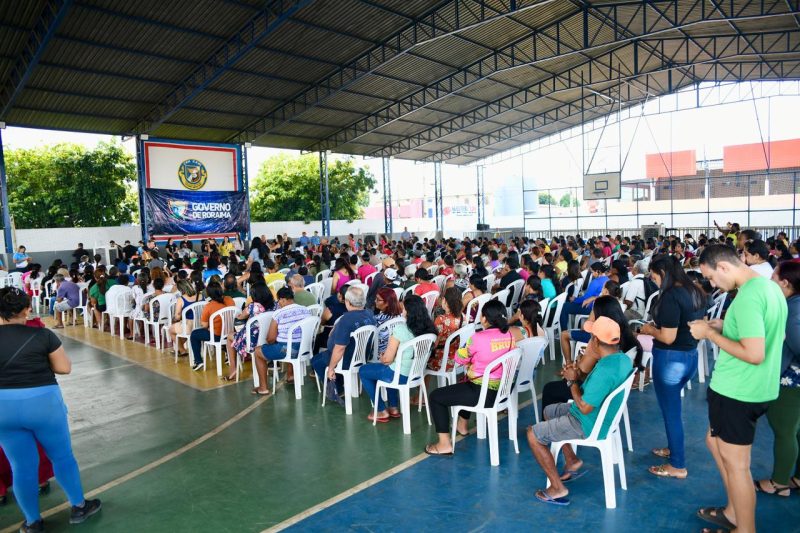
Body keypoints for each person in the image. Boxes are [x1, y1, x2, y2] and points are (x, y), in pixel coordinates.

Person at [689, 244, 787, 533]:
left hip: (738, 392)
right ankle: (733, 512)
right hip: (753, 388)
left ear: (723, 267)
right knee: (713, 441)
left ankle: (744, 528)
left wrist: (708, 334)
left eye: (711, 277)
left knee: (738, 467)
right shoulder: (769, 288)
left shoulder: (748, 298)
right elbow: (769, 334)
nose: (712, 284)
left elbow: (754, 353)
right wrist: (726, 326)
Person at [0, 288, 102, 531]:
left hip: (3, 409)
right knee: (62, 456)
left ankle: (32, 522)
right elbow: (64, 368)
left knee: (21, 466)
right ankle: (79, 507)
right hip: (43, 404)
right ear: (27, 310)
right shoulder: (43, 335)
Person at [526, 316, 633, 506]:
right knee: (549, 411)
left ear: (596, 341)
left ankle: (557, 488)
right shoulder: (622, 359)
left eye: (591, 336)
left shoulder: (605, 371)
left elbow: (584, 407)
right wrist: (577, 375)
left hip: (587, 422)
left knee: (533, 434)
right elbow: (593, 390)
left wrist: (571, 381)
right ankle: (572, 460)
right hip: (601, 416)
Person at [638, 255, 707, 479]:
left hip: (671, 360)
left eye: (654, 276)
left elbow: (668, 337)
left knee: (671, 413)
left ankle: (678, 465)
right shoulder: (694, 290)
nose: (653, 280)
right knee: (673, 410)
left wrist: (650, 330)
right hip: (689, 356)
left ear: (663, 273)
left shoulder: (670, 296)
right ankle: (673, 448)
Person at [425, 300, 515, 455]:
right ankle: (462, 425)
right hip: (503, 391)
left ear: (484, 318)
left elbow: (459, 359)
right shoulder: (510, 335)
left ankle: (444, 444)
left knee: (436, 397)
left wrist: (466, 352)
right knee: (465, 382)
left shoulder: (478, 338)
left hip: (481, 393)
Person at [544, 296, 641, 412]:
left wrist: (573, 369)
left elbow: (582, 371)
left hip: (594, 395)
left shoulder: (598, 341)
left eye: (593, 311)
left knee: (549, 389)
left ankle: (557, 420)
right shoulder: (625, 336)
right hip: (614, 397)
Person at [754, 261, 800, 496]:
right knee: (795, 430)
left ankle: (779, 483)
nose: (769, 280)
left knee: (784, 431)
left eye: (774, 276)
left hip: (789, 381)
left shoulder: (791, 312)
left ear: (785, 283)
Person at [360, 295, 437, 422]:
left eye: (404, 309)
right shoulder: (430, 329)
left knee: (363, 370)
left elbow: (387, 359)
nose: (402, 311)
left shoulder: (401, 329)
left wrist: (382, 357)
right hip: (416, 374)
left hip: (399, 375)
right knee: (390, 368)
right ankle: (393, 408)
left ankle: (380, 410)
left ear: (409, 312)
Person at [311, 286, 376, 397]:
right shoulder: (369, 314)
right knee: (323, 358)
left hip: (346, 358)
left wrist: (331, 369)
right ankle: (340, 381)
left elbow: (340, 348)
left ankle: (337, 389)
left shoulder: (345, 320)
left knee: (316, 361)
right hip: (362, 356)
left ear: (347, 302)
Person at [251, 287, 310, 390]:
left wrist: (268, 343)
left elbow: (271, 338)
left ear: (282, 299)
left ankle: (263, 388)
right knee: (289, 343)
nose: (278, 303)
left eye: (278, 301)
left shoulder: (279, 313)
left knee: (257, 351)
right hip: (304, 349)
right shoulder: (305, 310)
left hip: (288, 350)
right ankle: (290, 375)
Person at [189, 283, 235, 371]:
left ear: (209, 294)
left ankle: (198, 361)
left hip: (216, 336)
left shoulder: (209, 306)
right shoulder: (229, 299)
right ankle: (228, 355)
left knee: (194, 334)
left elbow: (204, 325)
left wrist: (210, 326)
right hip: (230, 333)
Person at [558, 262, 609, 331]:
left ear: (598, 271)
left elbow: (586, 298)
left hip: (590, 308)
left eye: (592, 272)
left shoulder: (596, 282)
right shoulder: (607, 279)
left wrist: (574, 299)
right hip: (600, 307)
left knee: (565, 306)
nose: (592, 274)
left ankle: (563, 331)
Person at [166, 278, 204, 355]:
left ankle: (182, 350)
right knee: (180, 330)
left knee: (171, 330)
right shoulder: (201, 295)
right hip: (202, 324)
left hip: (189, 326)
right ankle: (178, 349)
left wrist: (177, 318)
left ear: (181, 289)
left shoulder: (181, 299)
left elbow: (177, 317)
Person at [373, 287, 403, 357]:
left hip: (379, 354)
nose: (375, 301)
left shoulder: (377, 319)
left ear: (387, 303)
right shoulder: (400, 316)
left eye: (378, 299)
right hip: (395, 353)